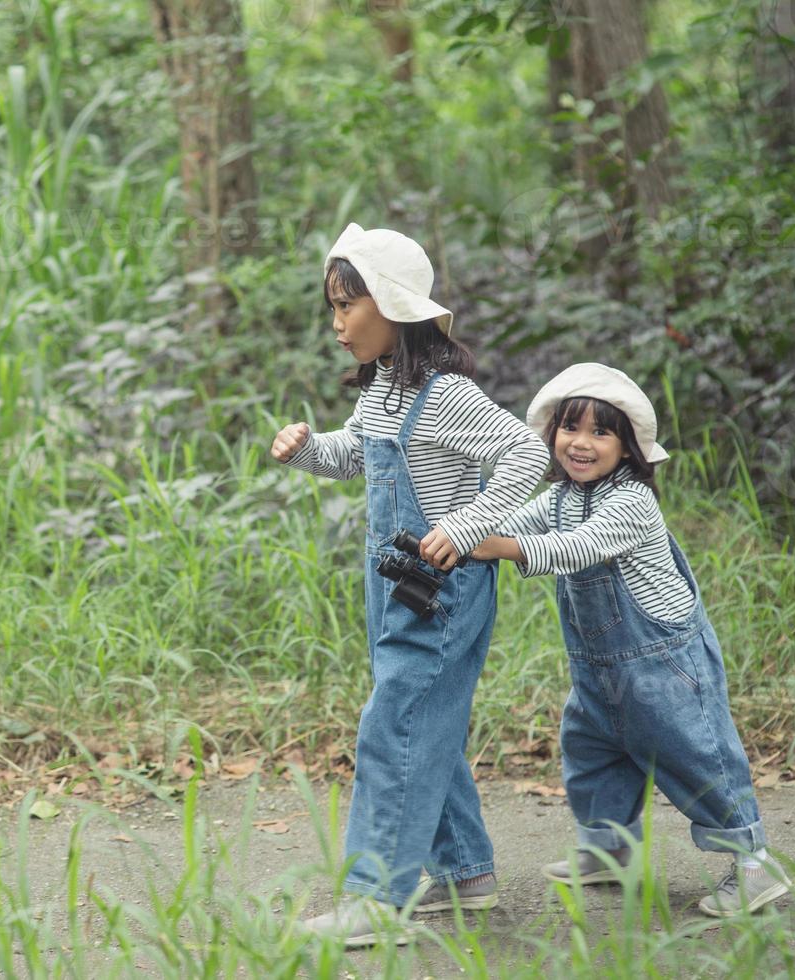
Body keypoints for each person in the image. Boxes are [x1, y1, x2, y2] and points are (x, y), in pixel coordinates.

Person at [271, 223, 550, 946]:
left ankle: (374, 898)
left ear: (392, 307)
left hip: (440, 591)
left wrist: (467, 525)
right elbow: (354, 456)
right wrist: (306, 451)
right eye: (332, 307)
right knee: (425, 721)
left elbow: (526, 453)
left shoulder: (447, 393)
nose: (336, 323)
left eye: (346, 306)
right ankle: (463, 872)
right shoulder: (387, 388)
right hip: (396, 585)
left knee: (394, 724)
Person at [472, 362, 792, 917]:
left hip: (663, 664)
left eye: (602, 432)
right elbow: (523, 521)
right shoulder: (562, 498)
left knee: (696, 756)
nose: (582, 443)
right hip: (599, 669)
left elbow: (577, 548)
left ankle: (753, 862)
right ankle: (610, 849)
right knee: (591, 752)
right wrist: (474, 526)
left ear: (628, 448)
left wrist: (505, 549)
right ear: (551, 435)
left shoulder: (631, 503)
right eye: (571, 429)